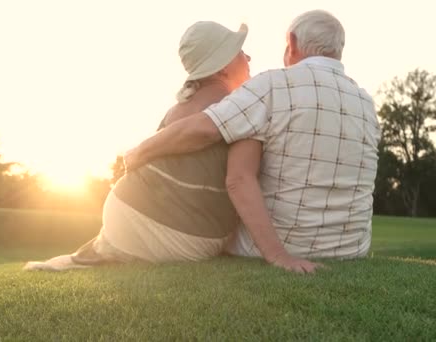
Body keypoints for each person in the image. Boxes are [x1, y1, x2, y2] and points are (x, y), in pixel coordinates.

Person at [124, 10, 381, 272]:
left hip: (276, 247)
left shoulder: (272, 85)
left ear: (291, 42)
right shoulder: (366, 103)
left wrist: (138, 153)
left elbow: (203, 131)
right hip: (352, 250)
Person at [25, 21, 272, 271]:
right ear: (223, 67)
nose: (248, 57)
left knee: (103, 254)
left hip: (126, 212)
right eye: (241, 52)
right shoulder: (236, 105)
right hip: (186, 236)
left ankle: (88, 256)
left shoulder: (178, 109)